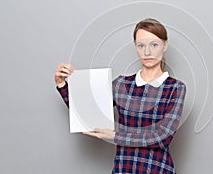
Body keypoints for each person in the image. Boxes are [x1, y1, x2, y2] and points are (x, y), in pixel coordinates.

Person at [54, 18, 187, 174]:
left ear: (165, 46)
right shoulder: (122, 84)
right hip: (123, 169)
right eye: (141, 45)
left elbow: (162, 137)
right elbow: (87, 112)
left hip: (158, 169)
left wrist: (115, 136)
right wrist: (64, 84)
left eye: (154, 45)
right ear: (135, 47)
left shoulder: (175, 88)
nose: (147, 52)